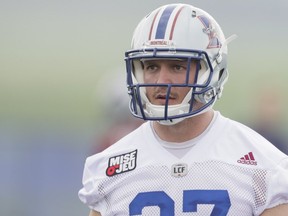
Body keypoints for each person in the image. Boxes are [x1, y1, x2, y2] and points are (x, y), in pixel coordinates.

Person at [78, 3, 288, 215]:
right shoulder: (109, 167)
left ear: (211, 72)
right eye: (152, 67)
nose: (161, 81)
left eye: (177, 67)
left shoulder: (264, 166)